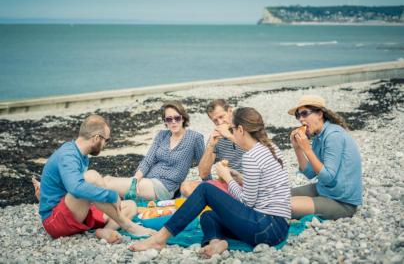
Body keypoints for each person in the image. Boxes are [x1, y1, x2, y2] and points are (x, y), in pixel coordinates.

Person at [129, 107, 291, 258]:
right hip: (279, 228)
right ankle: (216, 242)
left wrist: (226, 177)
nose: (232, 133)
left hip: (265, 229)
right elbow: (266, 187)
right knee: (209, 215)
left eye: (233, 129)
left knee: (205, 189)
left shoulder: (251, 156)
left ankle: (159, 238)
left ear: (240, 130)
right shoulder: (270, 148)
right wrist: (239, 178)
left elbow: (247, 201)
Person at [38, 115, 154, 243]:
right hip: (55, 220)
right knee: (91, 176)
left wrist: (109, 200)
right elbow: (76, 188)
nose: (105, 144)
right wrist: (111, 195)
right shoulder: (68, 155)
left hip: (75, 211)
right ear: (96, 138)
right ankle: (130, 227)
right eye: (107, 140)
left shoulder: (81, 154)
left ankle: (107, 230)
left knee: (130, 206)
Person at [103, 101, 205, 201]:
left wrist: (210, 187)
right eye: (169, 119)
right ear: (165, 121)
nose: (173, 122)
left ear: (183, 118)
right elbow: (148, 160)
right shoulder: (162, 135)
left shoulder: (195, 138)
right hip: (146, 180)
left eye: (177, 118)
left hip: (164, 187)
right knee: (107, 180)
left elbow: (204, 164)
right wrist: (135, 180)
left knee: (108, 184)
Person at [288, 95, 363, 220]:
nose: (301, 119)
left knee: (282, 206)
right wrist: (298, 149)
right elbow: (310, 173)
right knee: (278, 196)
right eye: (298, 115)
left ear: (319, 114)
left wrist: (307, 149)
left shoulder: (333, 135)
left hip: (341, 202)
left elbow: (328, 177)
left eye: (304, 113)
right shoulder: (318, 137)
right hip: (323, 190)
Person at [180, 99, 245, 197]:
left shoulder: (245, 127)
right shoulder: (217, 138)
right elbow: (203, 173)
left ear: (230, 111)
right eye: (215, 120)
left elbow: (260, 150)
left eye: (221, 117)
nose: (219, 122)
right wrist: (211, 145)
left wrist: (230, 136)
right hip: (228, 184)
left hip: (249, 183)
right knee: (186, 187)